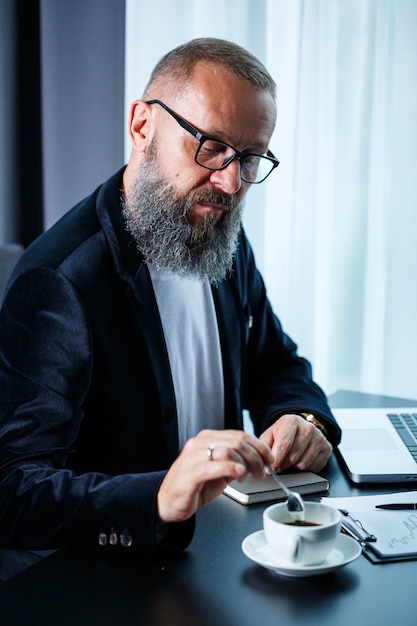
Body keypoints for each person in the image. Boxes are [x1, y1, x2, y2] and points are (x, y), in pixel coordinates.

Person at [0, 38, 340, 557]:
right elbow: (13, 491)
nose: (229, 183)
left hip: (222, 550)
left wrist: (303, 419)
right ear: (142, 126)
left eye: (249, 158)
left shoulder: (218, 232)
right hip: (110, 577)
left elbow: (275, 360)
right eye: (210, 145)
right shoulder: (59, 280)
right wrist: (158, 497)